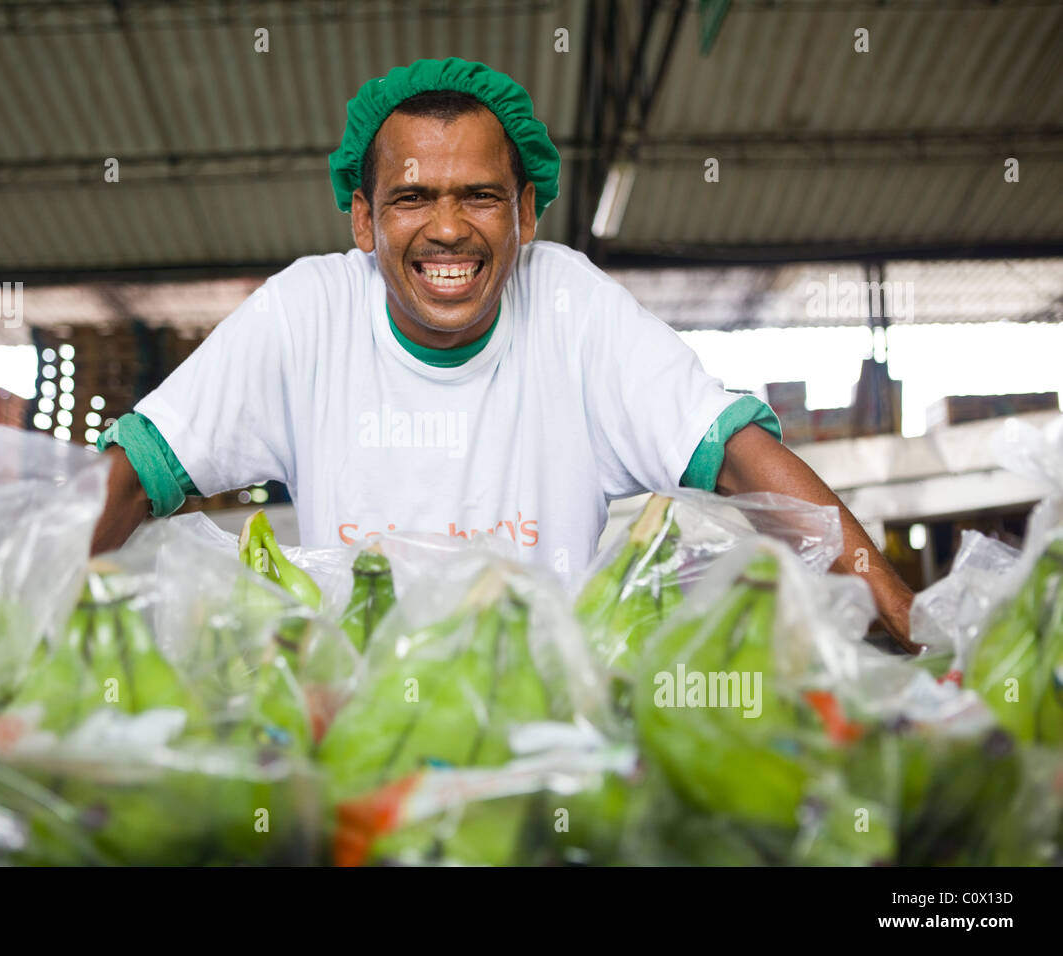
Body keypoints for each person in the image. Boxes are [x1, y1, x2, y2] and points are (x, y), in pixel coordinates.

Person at [90, 57, 917, 650]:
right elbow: (139, 469)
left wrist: (915, 629)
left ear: (525, 211)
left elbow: (738, 457)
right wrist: (32, 631)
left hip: (543, 723)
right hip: (357, 725)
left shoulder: (569, 303)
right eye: (411, 197)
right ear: (363, 220)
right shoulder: (311, 310)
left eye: (479, 196)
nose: (447, 228)